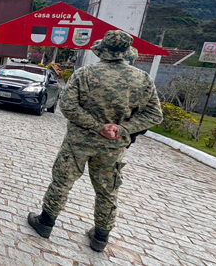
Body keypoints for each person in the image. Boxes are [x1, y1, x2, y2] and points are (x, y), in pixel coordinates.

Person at [27, 30, 163, 252]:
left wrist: (96, 126)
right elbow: (154, 115)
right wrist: (121, 128)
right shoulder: (142, 80)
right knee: (108, 190)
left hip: (79, 142)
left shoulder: (85, 74)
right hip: (113, 147)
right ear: (126, 53)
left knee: (62, 182)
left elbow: (68, 106)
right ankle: (100, 237)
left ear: (102, 51)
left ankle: (46, 223)